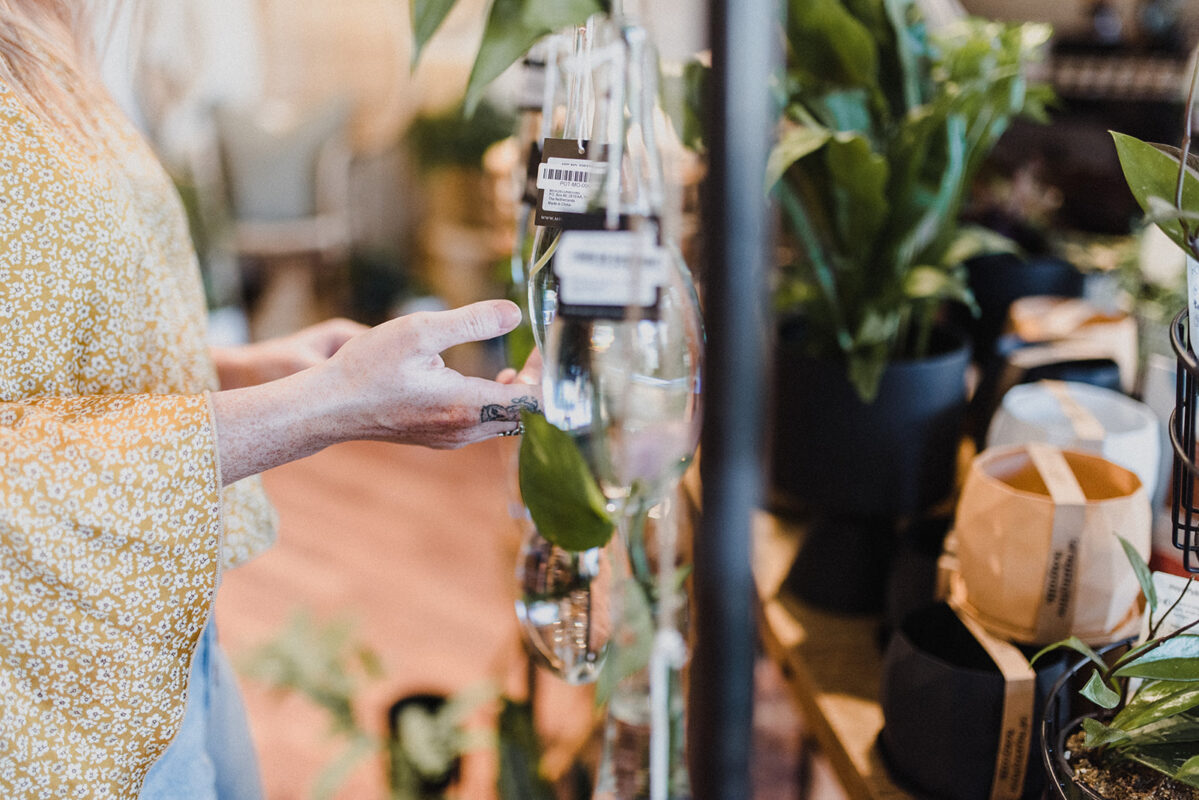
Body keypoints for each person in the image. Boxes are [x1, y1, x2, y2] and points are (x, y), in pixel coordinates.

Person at [0, 2, 540, 797]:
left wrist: (246, 367)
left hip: (157, 606)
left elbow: (53, 343)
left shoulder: (47, 28)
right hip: (48, 685)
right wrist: (328, 406)